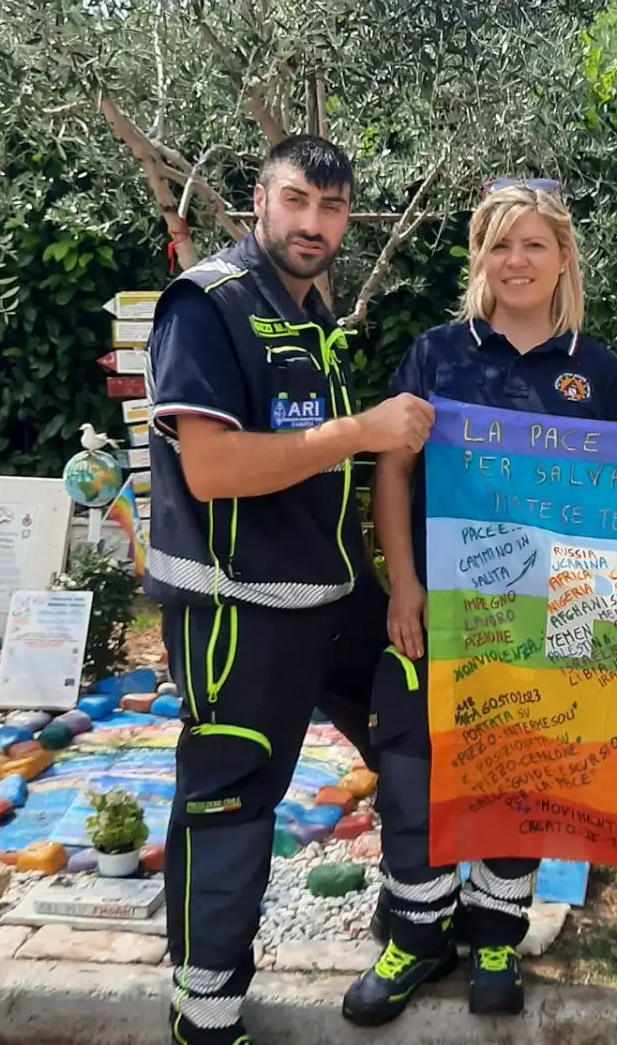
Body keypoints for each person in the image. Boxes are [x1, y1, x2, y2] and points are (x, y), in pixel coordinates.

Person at [144, 133, 435, 1045]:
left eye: (333, 207)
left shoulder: (312, 320)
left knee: (417, 724)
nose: (314, 223)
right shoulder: (207, 306)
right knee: (231, 805)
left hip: (328, 597)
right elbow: (216, 468)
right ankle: (208, 1014)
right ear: (259, 203)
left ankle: (420, 928)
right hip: (239, 610)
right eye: (298, 201)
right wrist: (361, 431)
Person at [341, 180, 617, 1027]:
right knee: (411, 779)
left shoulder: (599, 370)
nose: (517, 261)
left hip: (547, 620)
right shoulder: (437, 355)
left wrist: (598, 612)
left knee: (519, 777)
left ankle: (498, 935)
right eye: (500, 245)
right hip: (435, 610)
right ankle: (415, 936)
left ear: (563, 259)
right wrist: (403, 581)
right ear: (479, 257)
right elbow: (392, 473)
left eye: (534, 245)